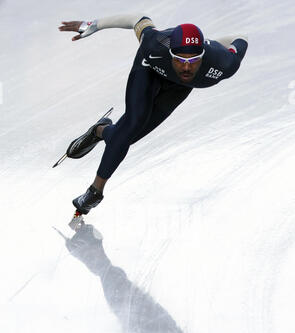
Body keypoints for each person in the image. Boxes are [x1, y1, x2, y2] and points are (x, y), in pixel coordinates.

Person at [59, 14, 248, 215]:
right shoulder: (154, 43)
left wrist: (212, 45)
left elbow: (240, 37)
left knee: (125, 138)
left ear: (202, 55)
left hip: (180, 87)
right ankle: (95, 192)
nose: (186, 67)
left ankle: (99, 131)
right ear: (170, 52)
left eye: (193, 60)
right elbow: (137, 20)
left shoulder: (223, 63)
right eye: (180, 59)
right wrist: (94, 25)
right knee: (133, 123)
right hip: (149, 70)